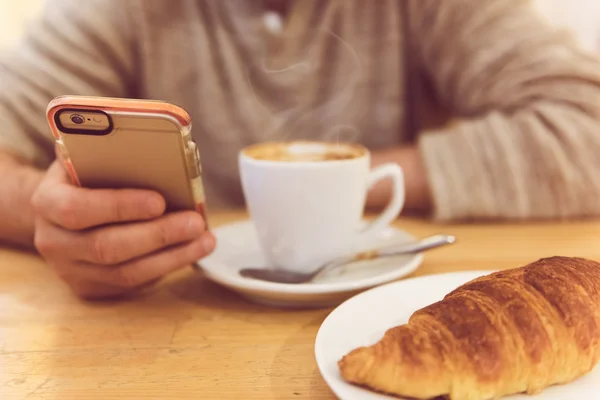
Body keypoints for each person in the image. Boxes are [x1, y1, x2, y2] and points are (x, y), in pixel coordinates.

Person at [2, 0, 600, 299]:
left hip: (385, 304)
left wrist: (350, 184)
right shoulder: (125, 10)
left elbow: (588, 121)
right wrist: (46, 214)